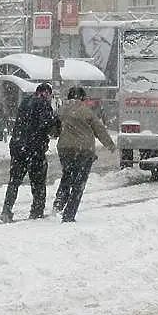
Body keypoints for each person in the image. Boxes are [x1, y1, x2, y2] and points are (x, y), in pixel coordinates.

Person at [52, 86, 116, 223]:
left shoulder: (61, 110)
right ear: (82, 98)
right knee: (79, 183)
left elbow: (54, 128)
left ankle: (58, 204)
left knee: (67, 176)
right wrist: (110, 144)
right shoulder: (87, 111)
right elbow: (99, 129)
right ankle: (69, 215)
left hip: (64, 149)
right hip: (83, 150)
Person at [0, 82, 60, 223]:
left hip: (17, 146)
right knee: (38, 183)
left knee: (14, 182)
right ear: (46, 93)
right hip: (34, 149)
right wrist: (56, 120)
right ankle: (37, 211)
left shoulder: (25, 102)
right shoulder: (43, 104)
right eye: (49, 95)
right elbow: (46, 124)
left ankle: (6, 210)